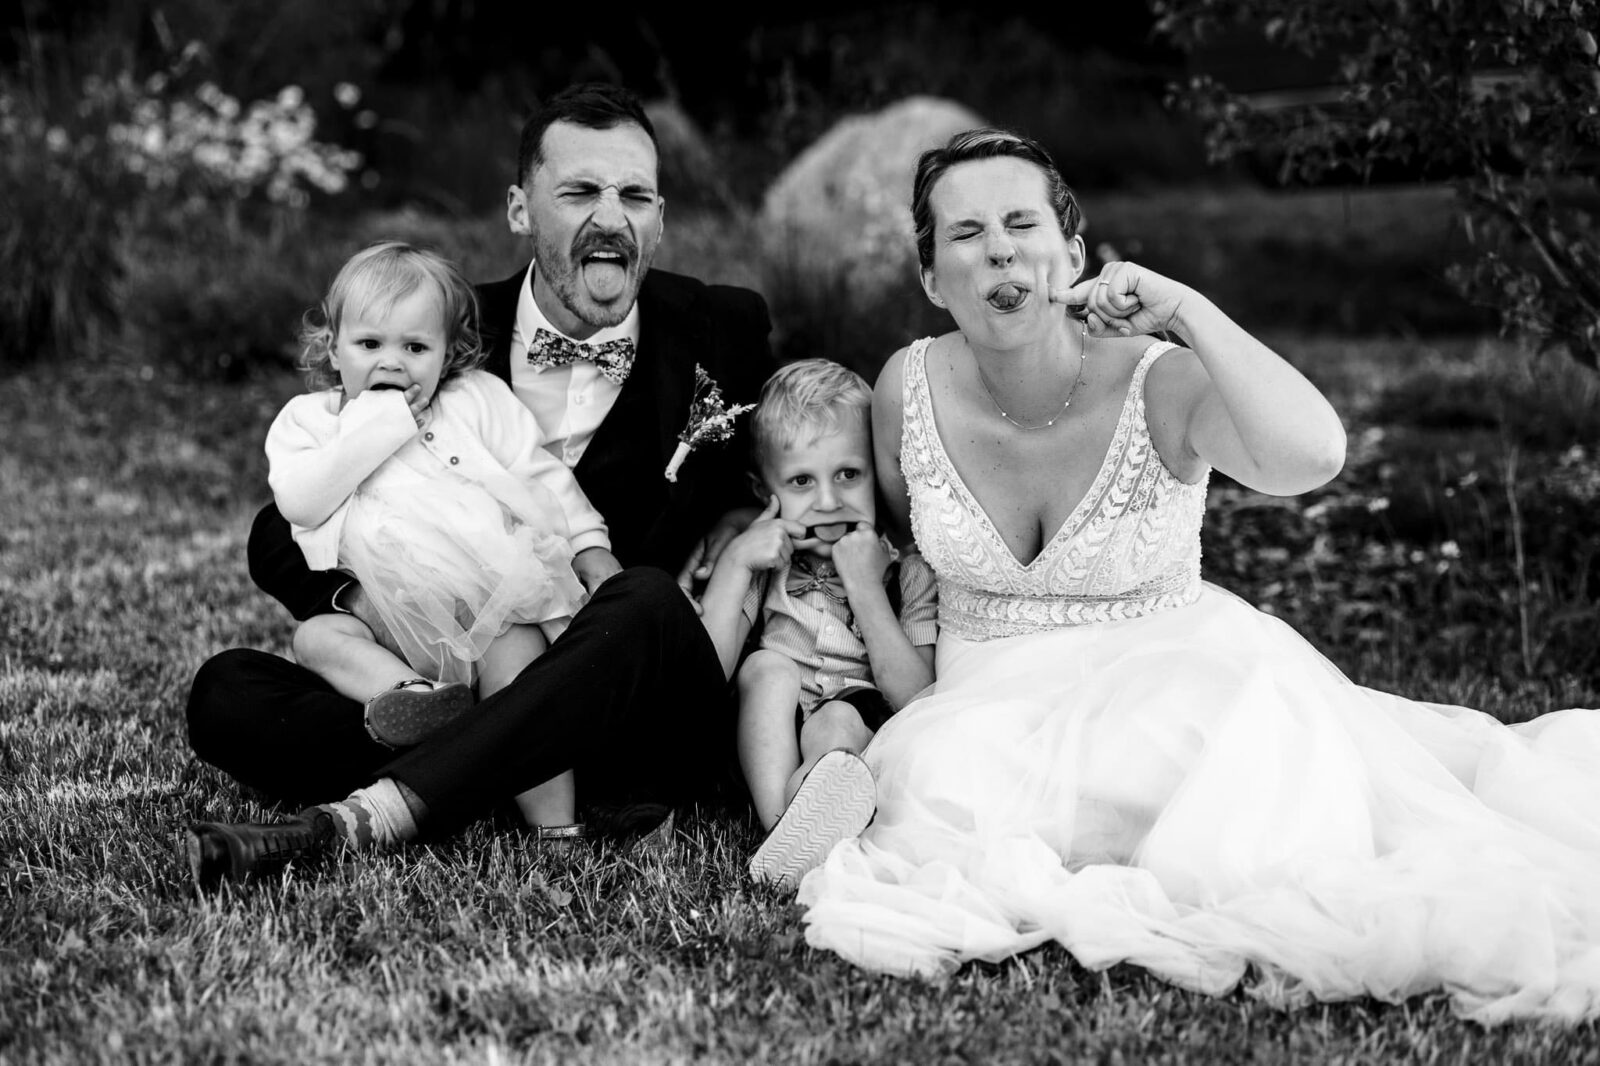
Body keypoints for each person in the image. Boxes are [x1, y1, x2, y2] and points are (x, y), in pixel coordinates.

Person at [794, 128, 1600, 1024]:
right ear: (931, 278)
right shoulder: (908, 386)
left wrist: (1186, 311)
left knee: (1222, 796)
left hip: (1173, 679)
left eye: (1023, 223)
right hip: (985, 707)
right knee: (949, 786)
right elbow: (898, 524)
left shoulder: (1161, 383)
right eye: (967, 233)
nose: (1000, 249)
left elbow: (1314, 455)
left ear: (1074, 249)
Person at [184, 83, 775, 887]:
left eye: (634, 194)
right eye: (579, 192)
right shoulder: (437, 330)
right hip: (460, 664)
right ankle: (493, 765)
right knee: (227, 690)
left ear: (661, 219)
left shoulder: (723, 329)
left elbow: (777, 475)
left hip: (628, 681)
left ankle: (376, 814)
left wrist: (739, 514)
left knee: (638, 596)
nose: (612, 217)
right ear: (519, 211)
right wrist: (369, 604)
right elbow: (277, 529)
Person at [269, 240, 613, 832]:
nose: (392, 362)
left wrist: (589, 545)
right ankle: (416, 699)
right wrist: (380, 422)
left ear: (448, 352)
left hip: (492, 603)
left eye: (415, 347)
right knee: (318, 637)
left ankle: (555, 828)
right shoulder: (310, 421)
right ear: (333, 345)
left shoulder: (476, 398)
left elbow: (544, 477)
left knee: (522, 680)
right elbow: (300, 499)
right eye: (369, 344)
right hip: (388, 618)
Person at [696, 359, 937, 888]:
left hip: (862, 737)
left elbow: (918, 696)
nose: (829, 501)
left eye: (848, 474)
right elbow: (708, 668)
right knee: (764, 666)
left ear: (879, 470)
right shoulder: (764, 563)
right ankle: (783, 826)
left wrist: (866, 586)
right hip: (764, 741)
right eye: (802, 481)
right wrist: (736, 563)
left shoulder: (911, 569)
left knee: (835, 722)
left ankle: (816, 805)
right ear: (765, 492)